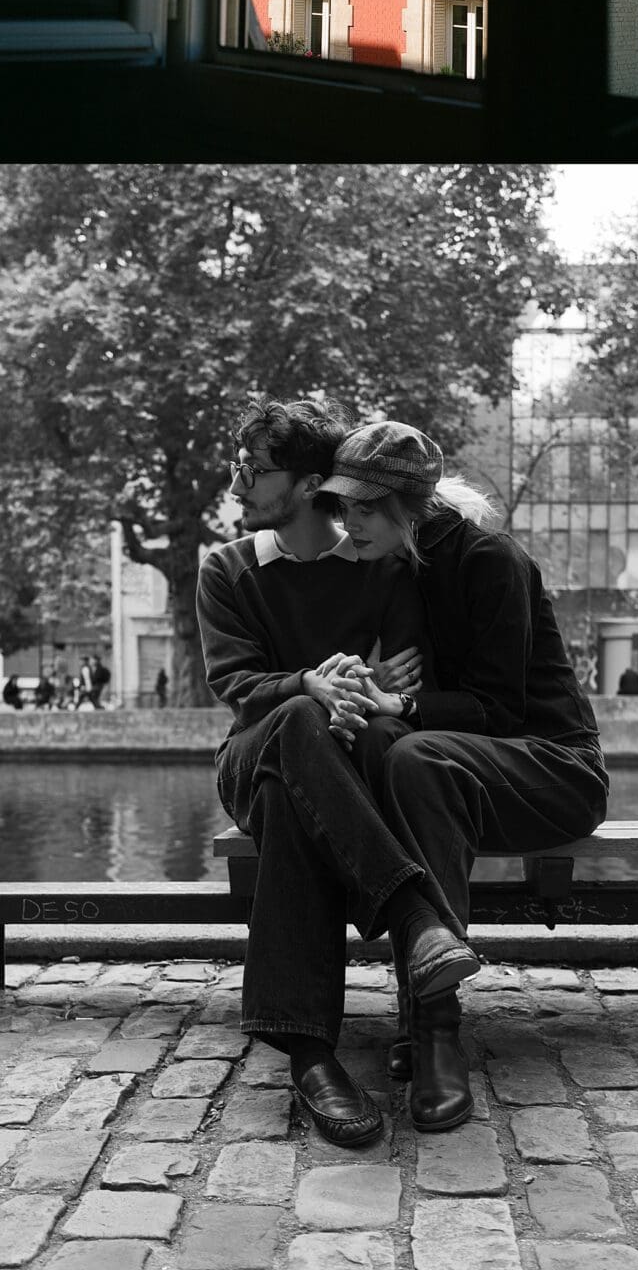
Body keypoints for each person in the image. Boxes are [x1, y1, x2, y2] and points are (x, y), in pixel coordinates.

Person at [196, 397, 479, 1149]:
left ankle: (310, 1054)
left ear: (311, 481)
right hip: (252, 755)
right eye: (239, 465)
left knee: (296, 801)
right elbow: (239, 689)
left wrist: (351, 699)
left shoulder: (382, 570)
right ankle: (416, 918)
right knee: (293, 725)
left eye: (255, 470)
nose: (239, 483)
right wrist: (312, 688)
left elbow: (399, 686)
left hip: (344, 765)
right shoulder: (227, 571)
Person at [316, 419, 610, 1132]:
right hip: (455, 775)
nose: (346, 525)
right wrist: (376, 687)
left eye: (362, 509)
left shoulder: (490, 562)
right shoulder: (395, 568)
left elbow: (501, 711)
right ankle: (424, 1023)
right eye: (341, 507)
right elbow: (394, 699)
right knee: (392, 747)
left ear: (408, 511)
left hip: (551, 770)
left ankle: (438, 1038)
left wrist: (406, 702)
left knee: (412, 751)